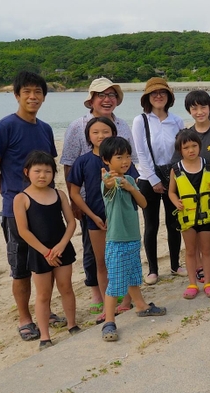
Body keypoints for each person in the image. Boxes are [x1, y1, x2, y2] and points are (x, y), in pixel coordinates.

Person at [0, 71, 65, 342]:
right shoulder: (5, 126)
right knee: (19, 267)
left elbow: (49, 167)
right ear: (17, 95)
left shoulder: (45, 128)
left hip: (47, 209)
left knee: (47, 261)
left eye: (38, 92)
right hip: (15, 212)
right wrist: (12, 197)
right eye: (27, 92)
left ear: (43, 97)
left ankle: (46, 310)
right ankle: (24, 317)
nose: (33, 96)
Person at [61, 77, 135, 315]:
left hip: (120, 207)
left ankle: (124, 296)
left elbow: (130, 164)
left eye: (111, 95)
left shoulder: (123, 124)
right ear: (91, 99)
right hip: (90, 202)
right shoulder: (77, 127)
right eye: (101, 95)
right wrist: (75, 204)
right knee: (96, 255)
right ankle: (100, 295)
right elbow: (69, 165)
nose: (107, 99)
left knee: (124, 253)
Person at [99, 136, 167, 342]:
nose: (125, 161)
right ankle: (108, 321)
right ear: (106, 160)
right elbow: (109, 186)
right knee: (116, 282)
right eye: (119, 157)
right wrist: (110, 183)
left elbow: (144, 203)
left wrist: (130, 187)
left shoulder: (128, 180)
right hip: (116, 241)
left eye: (127, 156)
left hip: (132, 237)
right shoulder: (107, 181)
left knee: (133, 274)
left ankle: (141, 306)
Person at [13, 151, 80, 349]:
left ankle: (72, 324)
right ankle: (44, 336)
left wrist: (60, 246)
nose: (42, 175)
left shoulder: (59, 194)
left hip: (62, 249)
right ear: (27, 172)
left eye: (47, 171)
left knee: (66, 287)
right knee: (43, 295)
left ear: (54, 173)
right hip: (39, 252)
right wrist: (45, 252)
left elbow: (70, 223)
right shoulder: (21, 198)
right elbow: (23, 231)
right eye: (38, 171)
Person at [132, 77, 185, 285]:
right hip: (147, 179)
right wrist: (153, 179)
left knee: (174, 223)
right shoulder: (141, 120)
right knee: (151, 224)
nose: (158, 96)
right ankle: (153, 270)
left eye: (162, 92)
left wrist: (173, 178)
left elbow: (180, 151)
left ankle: (175, 264)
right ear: (147, 97)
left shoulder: (177, 120)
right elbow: (140, 153)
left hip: (173, 177)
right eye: (154, 93)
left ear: (169, 96)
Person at [181, 90, 210, 283]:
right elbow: (178, 167)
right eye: (194, 108)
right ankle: (199, 264)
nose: (199, 111)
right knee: (195, 228)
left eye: (203, 107)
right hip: (191, 195)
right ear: (189, 111)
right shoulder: (186, 135)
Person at [168, 130, 210, 299]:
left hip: (206, 215)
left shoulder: (208, 165)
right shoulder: (175, 170)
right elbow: (171, 192)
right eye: (186, 147)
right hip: (187, 217)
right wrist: (176, 201)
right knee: (190, 251)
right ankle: (192, 283)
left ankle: (208, 281)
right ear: (180, 150)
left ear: (200, 146)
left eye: (194, 146)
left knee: (206, 250)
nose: (191, 150)